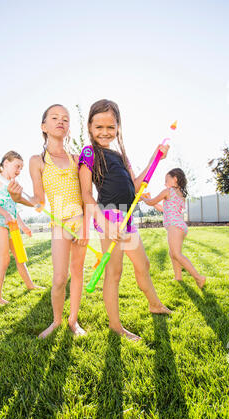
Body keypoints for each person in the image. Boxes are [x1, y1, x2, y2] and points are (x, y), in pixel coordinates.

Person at [79, 99, 172, 342]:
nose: (105, 132)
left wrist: (156, 157)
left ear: (118, 127)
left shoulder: (121, 155)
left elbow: (137, 183)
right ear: (90, 127)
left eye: (111, 127)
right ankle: (115, 326)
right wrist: (105, 222)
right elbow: (86, 194)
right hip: (108, 217)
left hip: (127, 217)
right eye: (99, 127)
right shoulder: (89, 153)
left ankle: (154, 304)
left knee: (143, 265)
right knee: (114, 272)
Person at [8, 104, 88, 338]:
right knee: (59, 277)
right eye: (54, 117)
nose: (61, 121)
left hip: (80, 221)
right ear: (44, 126)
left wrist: (84, 224)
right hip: (59, 225)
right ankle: (56, 321)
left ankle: (73, 321)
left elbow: (86, 194)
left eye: (65, 118)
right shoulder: (37, 160)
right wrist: (17, 198)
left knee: (77, 273)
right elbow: (39, 201)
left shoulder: (77, 158)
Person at [0, 151, 39, 304]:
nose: (19, 170)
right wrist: (5, 215)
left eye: (21, 168)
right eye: (17, 166)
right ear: (6, 163)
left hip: (12, 224)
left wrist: (23, 226)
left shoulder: (12, 185)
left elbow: (14, 209)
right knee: (4, 260)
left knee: (20, 258)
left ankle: (30, 285)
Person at [141, 168, 206, 288]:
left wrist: (143, 198)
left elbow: (151, 202)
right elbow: (162, 208)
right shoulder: (180, 194)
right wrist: (149, 200)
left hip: (174, 226)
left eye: (166, 180)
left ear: (175, 179)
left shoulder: (168, 191)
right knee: (173, 253)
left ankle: (199, 277)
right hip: (180, 227)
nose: (164, 183)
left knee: (176, 254)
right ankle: (178, 278)